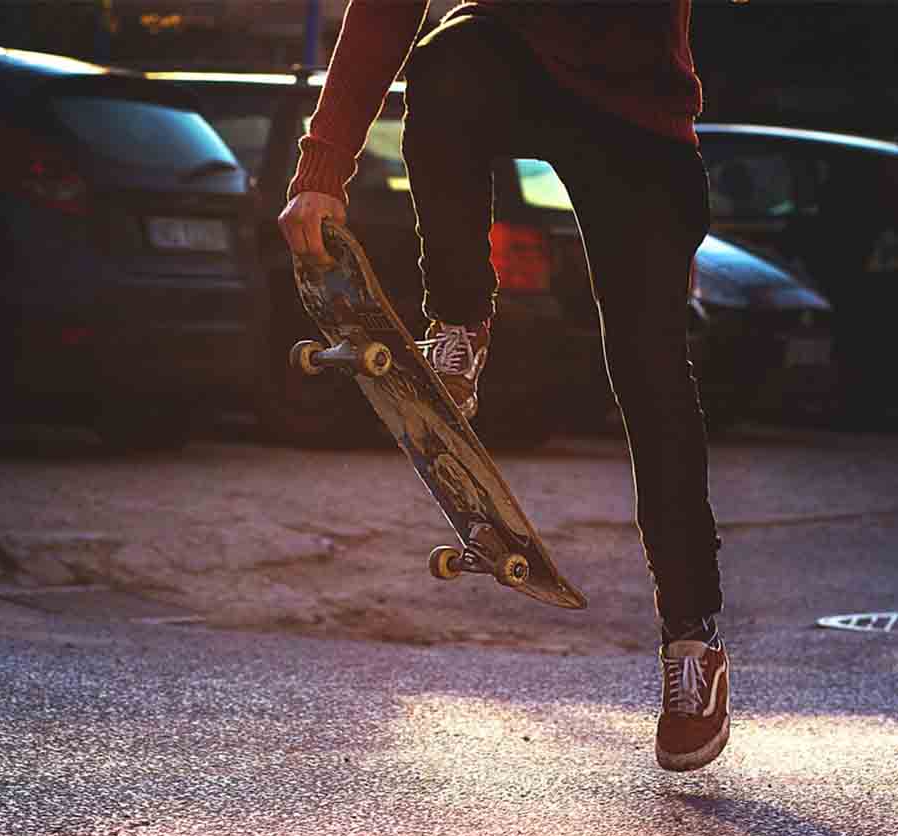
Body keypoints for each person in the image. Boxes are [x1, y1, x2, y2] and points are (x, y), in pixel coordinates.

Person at [278, 1, 729, 772]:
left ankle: (693, 641)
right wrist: (322, 172)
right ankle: (459, 323)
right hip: (511, 66)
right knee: (451, 58)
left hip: (643, 117)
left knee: (651, 377)